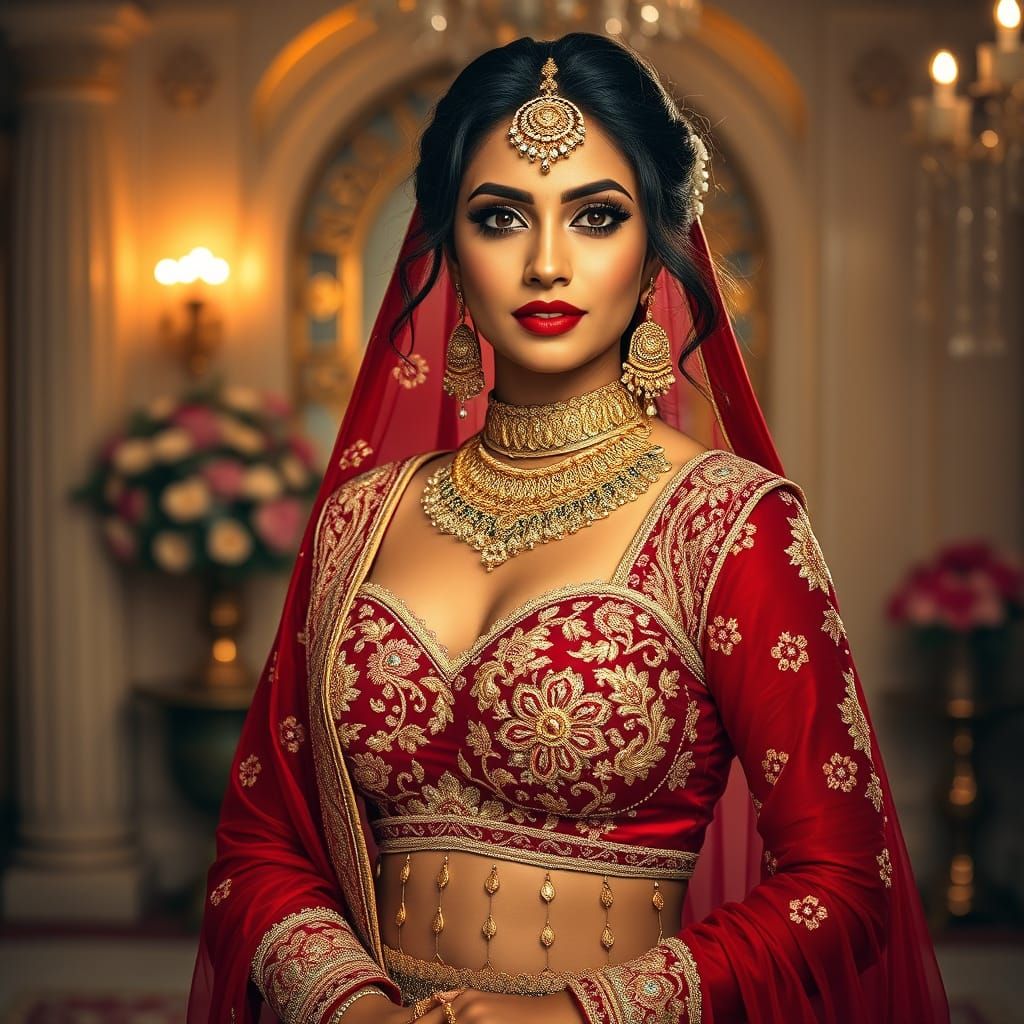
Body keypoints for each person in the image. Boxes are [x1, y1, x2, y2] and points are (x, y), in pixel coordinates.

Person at [188, 32, 950, 1024]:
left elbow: (843, 881)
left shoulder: (728, 526)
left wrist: (577, 1013)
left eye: (595, 216)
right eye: (500, 216)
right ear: (449, 251)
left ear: (655, 254)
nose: (546, 262)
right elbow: (259, 846)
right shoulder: (360, 520)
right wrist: (352, 1004)